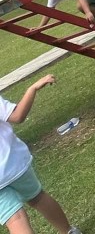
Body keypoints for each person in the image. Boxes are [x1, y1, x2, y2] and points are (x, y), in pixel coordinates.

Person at [0, 75, 82, 234]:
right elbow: (17, 116)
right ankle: (69, 231)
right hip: (13, 164)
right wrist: (32, 88)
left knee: (15, 219)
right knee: (37, 198)